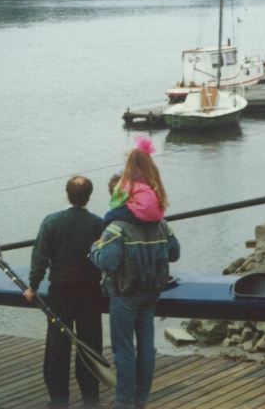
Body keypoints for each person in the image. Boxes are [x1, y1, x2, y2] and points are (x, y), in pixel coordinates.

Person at [90, 137, 180, 409]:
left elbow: (109, 262)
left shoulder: (116, 228)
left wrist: (93, 250)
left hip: (125, 294)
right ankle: (141, 399)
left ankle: (124, 402)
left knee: (124, 350)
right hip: (151, 293)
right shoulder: (163, 225)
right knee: (146, 347)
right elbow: (174, 254)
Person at [23, 176, 104, 408]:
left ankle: (59, 400)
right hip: (90, 292)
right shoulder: (99, 224)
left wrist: (33, 286)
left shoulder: (51, 222)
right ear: (89, 197)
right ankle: (90, 399)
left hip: (60, 292)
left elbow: (39, 257)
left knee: (57, 346)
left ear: (67, 194)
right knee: (90, 344)